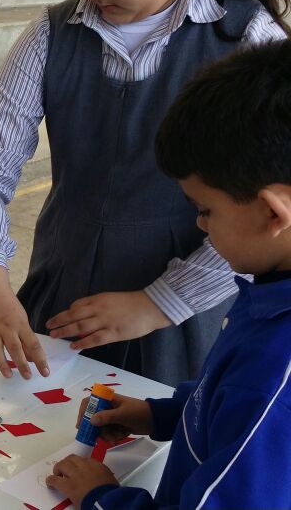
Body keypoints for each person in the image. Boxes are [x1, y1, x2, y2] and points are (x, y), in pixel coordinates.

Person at [0, 0, 289, 385]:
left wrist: (160, 302)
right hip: (62, 292)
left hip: (182, 316)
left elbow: (263, 219)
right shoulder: (52, 33)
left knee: (158, 424)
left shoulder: (246, 37)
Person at [46, 39, 291, 510]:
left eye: (206, 210)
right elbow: (227, 407)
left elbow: (252, 411)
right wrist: (160, 414)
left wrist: (102, 497)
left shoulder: (275, 373)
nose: (200, 225)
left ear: (271, 212)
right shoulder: (272, 285)